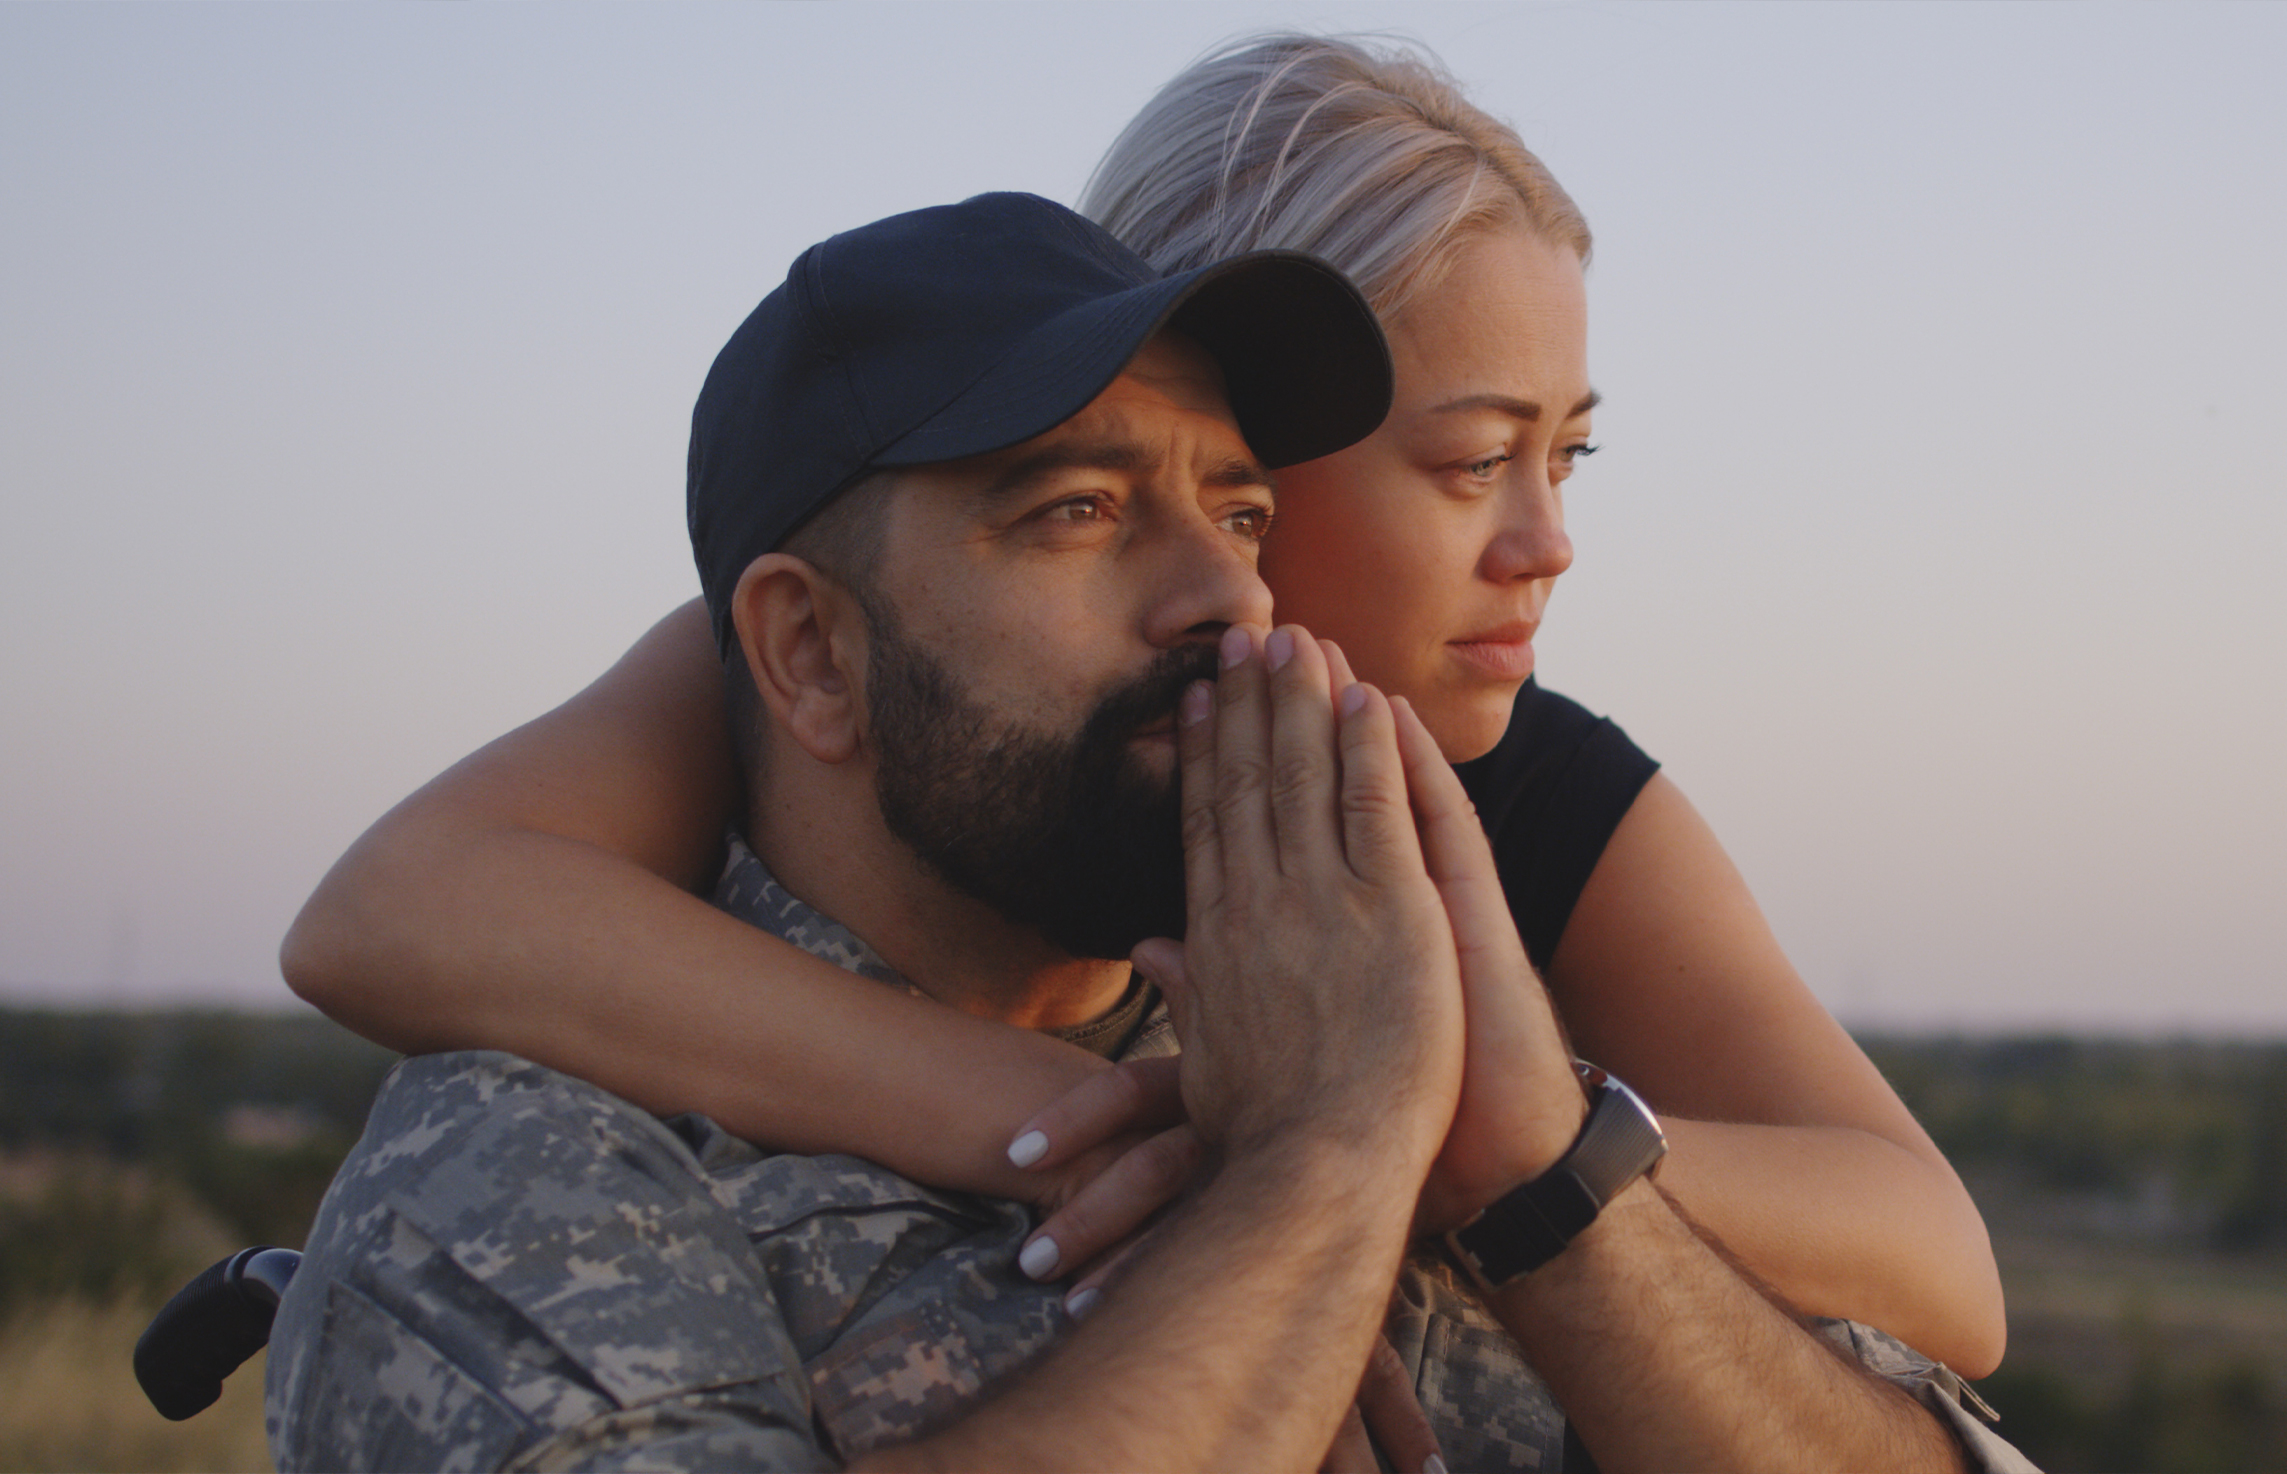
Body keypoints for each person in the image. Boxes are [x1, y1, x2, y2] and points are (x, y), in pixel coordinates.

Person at [282, 34, 2005, 1376]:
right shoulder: (856, 663)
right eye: (1476, 459)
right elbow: (399, 906)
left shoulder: (1535, 782)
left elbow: (1938, 1259)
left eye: (1572, 453)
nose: (1548, 542)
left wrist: (1444, 1137)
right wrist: (1047, 1118)